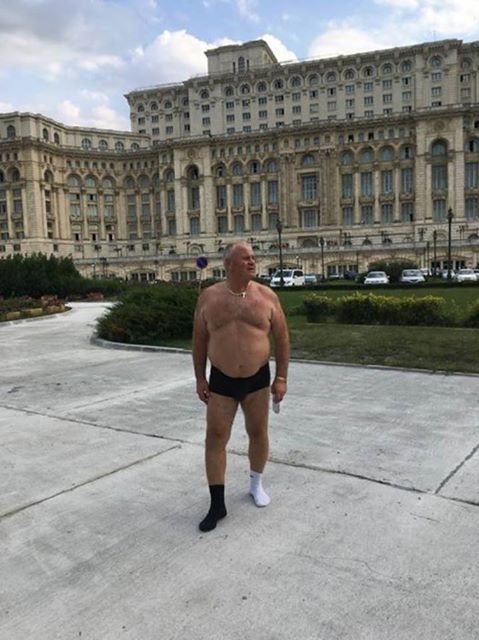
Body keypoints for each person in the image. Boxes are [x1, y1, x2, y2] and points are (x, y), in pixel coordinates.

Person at [192, 242, 290, 532]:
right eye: (245, 258)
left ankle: (255, 485)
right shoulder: (209, 297)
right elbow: (199, 340)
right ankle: (217, 504)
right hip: (221, 379)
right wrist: (200, 378)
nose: (252, 262)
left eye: (253, 258)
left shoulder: (267, 296)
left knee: (258, 432)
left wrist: (281, 378)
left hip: (257, 378)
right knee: (215, 437)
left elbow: (282, 339)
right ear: (228, 264)